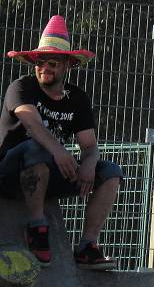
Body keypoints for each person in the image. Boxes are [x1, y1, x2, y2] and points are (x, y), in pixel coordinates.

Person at [0, 14, 122, 269]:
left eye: (53, 62)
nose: (45, 67)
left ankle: (88, 246)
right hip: (10, 171)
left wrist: (89, 162)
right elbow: (31, 123)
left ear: (67, 65)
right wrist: (58, 150)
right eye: (40, 61)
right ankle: (36, 227)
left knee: (110, 172)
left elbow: (89, 145)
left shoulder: (76, 98)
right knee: (36, 149)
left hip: (48, 170)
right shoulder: (21, 87)